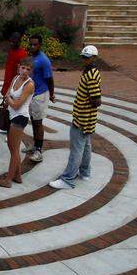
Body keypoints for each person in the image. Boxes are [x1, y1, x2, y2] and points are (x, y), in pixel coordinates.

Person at [50, 46, 103, 190]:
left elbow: (96, 100)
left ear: (94, 58)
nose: (84, 60)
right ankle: (85, 172)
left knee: (76, 149)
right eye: (83, 57)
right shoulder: (92, 71)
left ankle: (67, 179)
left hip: (82, 119)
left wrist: (86, 105)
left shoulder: (91, 75)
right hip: (87, 119)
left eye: (87, 58)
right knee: (86, 147)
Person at [0, 61, 35, 188]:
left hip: (20, 117)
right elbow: (8, 94)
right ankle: (18, 176)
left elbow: (16, 104)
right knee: (11, 146)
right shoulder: (15, 78)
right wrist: (9, 98)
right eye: (23, 68)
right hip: (11, 115)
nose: (25, 71)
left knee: (14, 149)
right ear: (18, 67)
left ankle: (8, 180)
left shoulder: (29, 84)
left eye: (28, 69)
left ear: (31, 71)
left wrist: (9, 98)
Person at [26, 33, 55, 162]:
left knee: (38, 123)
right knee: (33, 120)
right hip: (32, 93)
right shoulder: (32, 57)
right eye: (31, 44)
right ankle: (34, 144)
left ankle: (39, 150)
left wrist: (52, 94)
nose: (32, 46)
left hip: (40, 94)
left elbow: (50, 79)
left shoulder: (44, 60)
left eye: (35, 44)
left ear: (40, 45)